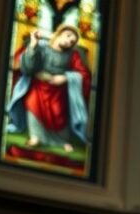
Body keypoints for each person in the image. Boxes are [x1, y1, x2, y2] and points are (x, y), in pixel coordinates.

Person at [6, 24, 91, 153]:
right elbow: (28, 68)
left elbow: (83, 74)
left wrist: (65, 78)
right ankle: (35, 137)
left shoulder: (73, 55)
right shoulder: (43, 47)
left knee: (59, 114)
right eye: (67, 36)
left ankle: (62, 141)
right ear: (59, 34)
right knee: (33, 102)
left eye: (72, 41)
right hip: (38, 87)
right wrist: (33, 45)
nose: (69, 41)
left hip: (58, 92)